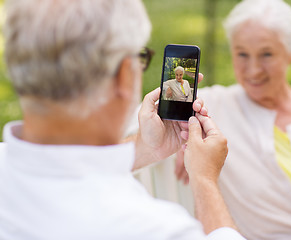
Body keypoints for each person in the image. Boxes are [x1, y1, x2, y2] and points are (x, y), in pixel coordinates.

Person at [0, 0, 246, 239]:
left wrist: (147, 148)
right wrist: (204, 180)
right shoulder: (154, 228)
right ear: (124, 76)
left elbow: (63, 166)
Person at [175, 0, 291, 239]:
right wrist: (177, 130)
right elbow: (126, 127)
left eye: (266, 54)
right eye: (242, 54)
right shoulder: (212, 106)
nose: (253, 70)